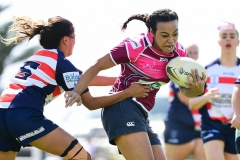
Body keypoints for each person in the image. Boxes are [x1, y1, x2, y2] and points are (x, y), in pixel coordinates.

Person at [0, 16, 151, 160]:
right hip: (22, 114)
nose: (75, 41)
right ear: (66, 39)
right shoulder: (60, 61)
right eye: (74, 36)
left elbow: (85, 80)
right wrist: (127, 92)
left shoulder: (39, 57)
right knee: (81, 157)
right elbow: (91, 103)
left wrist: (123, 81)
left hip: (2, 114)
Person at [64, 9, 206, 160]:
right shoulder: (134, 46)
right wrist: (77, 90)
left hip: (142, 114)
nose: (171, 40)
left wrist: (197, 90)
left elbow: (185, 91)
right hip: (121, 107)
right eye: (165, 35)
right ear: (151, 31)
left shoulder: (179, 54)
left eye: (175, 34)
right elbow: (97, 65)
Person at [189, 21, 240, 160]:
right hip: (212, 124)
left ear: (238, 41)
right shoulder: (207, 70)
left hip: (236, 127)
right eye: (224, 36)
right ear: (218, 41)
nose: (228, 39)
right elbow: (192, 103)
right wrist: (206, 97)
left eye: (231, 36)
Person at [163, 44, 206, 160]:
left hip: (199, 128)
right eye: (189, 52)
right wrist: (209, 97)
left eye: (195, 53)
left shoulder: (202, 77)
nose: (192, 55)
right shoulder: (178, 74)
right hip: (178, 125)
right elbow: (187, 99)